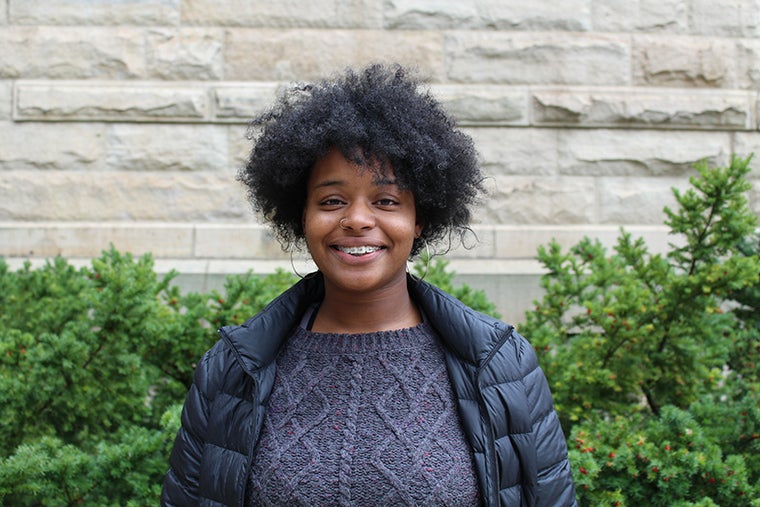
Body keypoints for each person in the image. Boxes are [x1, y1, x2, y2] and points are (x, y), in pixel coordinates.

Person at [161, 63, 576, 506]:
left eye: (386, 200)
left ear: (419, 219)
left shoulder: (501, 366)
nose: (357, 219)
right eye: (332, 200)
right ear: (302, 217)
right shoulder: (232, 369)